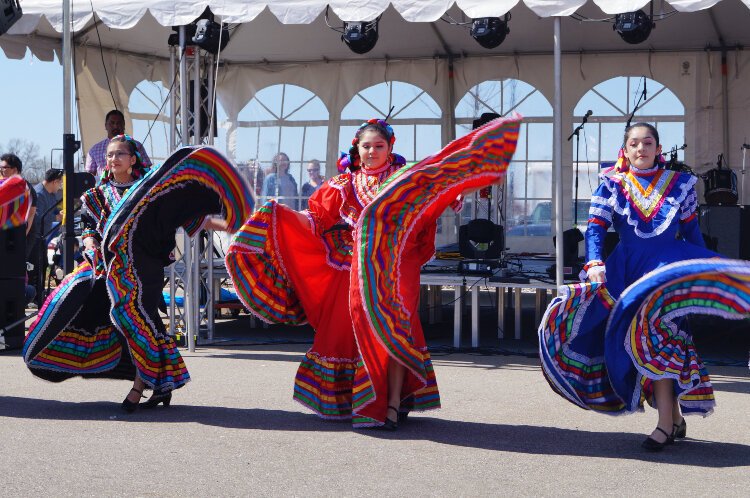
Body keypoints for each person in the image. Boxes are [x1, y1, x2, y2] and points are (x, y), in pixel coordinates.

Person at [226, 116, 522, 429]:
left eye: (378, 146)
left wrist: (457, 190)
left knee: (395, 330)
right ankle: (364, 399)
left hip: (398, 267)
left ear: (390, 147)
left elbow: (436, 190)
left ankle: (392, 405)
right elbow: (315, 221)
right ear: (357, 148)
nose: (371, 151)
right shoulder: (344, 185)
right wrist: (277, 216)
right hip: (359, 269)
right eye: (366, 146)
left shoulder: (405, 180)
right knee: (361, 331)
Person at [538, 122, 740, 452]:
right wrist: (594, 263)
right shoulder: (612, 184)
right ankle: (672, 418)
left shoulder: (680, 185)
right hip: (627, 271)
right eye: (634, 143)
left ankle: (663, 425)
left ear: (659, 149)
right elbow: (594, 230)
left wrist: (704, 266)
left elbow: (692, 234)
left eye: (648, 143)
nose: (641, 149)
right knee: (647, 342)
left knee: (658, 339)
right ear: (626, 150)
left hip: (667, 271)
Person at [24, 135, 253, 412]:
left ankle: (139, 386)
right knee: (135, 324)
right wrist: (89, 242)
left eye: (120, 154)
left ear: (133, 160)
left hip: (145, 272)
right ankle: (160, 383)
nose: (113, 159)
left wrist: (231, 223)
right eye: (109, 155)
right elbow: (89, 228)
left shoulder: (151, 192)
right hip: (112, 273)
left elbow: (186, 216)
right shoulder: (97, 196)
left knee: (138, 321)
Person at [85, 109, 151, 181]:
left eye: (119, 123)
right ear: (106, 126)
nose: (115, 126)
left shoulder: (136, 145)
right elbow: (89, 177)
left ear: (124, 125)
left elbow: (147, 170)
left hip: (134, 189)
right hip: (105, 190)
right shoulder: (94, 150)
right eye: (112, 123)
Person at [28, 169, 63, 305]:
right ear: (54, 181)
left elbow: (53, 209)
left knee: (42, 266)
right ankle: (32, 296)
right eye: (59, 182)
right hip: (34, 237)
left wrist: (58, 212)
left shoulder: (51, 194)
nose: (60, 186)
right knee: (34, 267)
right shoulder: (38, 194)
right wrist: (55, 216)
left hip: (43, 237)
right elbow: (37, 218)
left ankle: (39, 295)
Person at [0, 153, 37, 242]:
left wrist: (22, 236)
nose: (1, 170)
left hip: (14, 238)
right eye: (0, 167)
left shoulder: (25, 187)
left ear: (15, 170)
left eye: (4, 167)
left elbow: (31, 213)